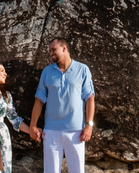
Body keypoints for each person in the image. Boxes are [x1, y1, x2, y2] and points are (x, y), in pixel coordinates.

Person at [29, 38, 95, 173]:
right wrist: (33, 126)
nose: (50, 53)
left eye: (53, 49)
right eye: (50, 50)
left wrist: (89, 125)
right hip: (51, 131)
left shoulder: (82, 70)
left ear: (64, 48)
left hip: (76, 131)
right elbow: (39, 100)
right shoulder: (47, 72)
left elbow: (90, 98)